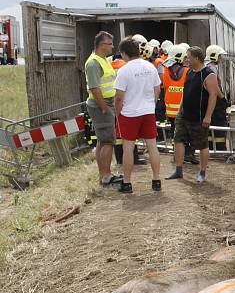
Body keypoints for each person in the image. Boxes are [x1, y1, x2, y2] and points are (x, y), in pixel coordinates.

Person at [165, 46, 222, 183]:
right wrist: (180, 110)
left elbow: (214, 96)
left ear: (197, 58)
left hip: (199, 117)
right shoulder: (189, 72)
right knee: (178, 140)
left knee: (202, 145)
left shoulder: (209, 75)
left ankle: (202, 173)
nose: (186, 59)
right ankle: (178, 170)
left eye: (189, 57)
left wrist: (208, 116)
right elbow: (185, 94)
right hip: (183, 115)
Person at [113, 37, 162, 194]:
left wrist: (117, 111)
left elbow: (119, 97)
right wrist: (151, 104)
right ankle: (156, 180)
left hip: (129, 113)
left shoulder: (124, 71)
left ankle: (127, 183)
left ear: (124, 53)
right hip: (148, 112)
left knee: (128, 148)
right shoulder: (150, 67)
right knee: (152, 146)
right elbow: (157, 89)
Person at [83, 31, 121, 186]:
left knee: (102, 140)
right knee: (107, 141)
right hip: (102, 104)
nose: (112, 47)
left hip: (105, 103)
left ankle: (104, 174)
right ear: (101, 45)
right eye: (110, 44)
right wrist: (104, 108)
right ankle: (106, 175)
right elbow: (94, 88)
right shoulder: (93, 63)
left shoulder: (102, 60)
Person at [204, 45, 229, 152]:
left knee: (211, 126)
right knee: (219, 123)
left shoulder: (206, 67)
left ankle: (211, 147)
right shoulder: (212, 69)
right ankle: (220, 148)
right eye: (219, 56)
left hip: (208, 100)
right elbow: (216, 87)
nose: (221, 58)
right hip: (216, 101)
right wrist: (222, 98)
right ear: (214, 56)